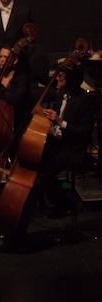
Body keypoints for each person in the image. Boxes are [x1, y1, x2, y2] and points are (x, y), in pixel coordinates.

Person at [37, 66, 97, 218]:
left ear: (71, 81)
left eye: (62, 76)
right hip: (56, 141)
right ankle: (45, 200)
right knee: (34, 160)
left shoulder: (85, 100)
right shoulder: (62, 94)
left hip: (72, 146)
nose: (58, 78)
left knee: (46, 172)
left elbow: (84, 132)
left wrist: (59, 121)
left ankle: (61, 203)